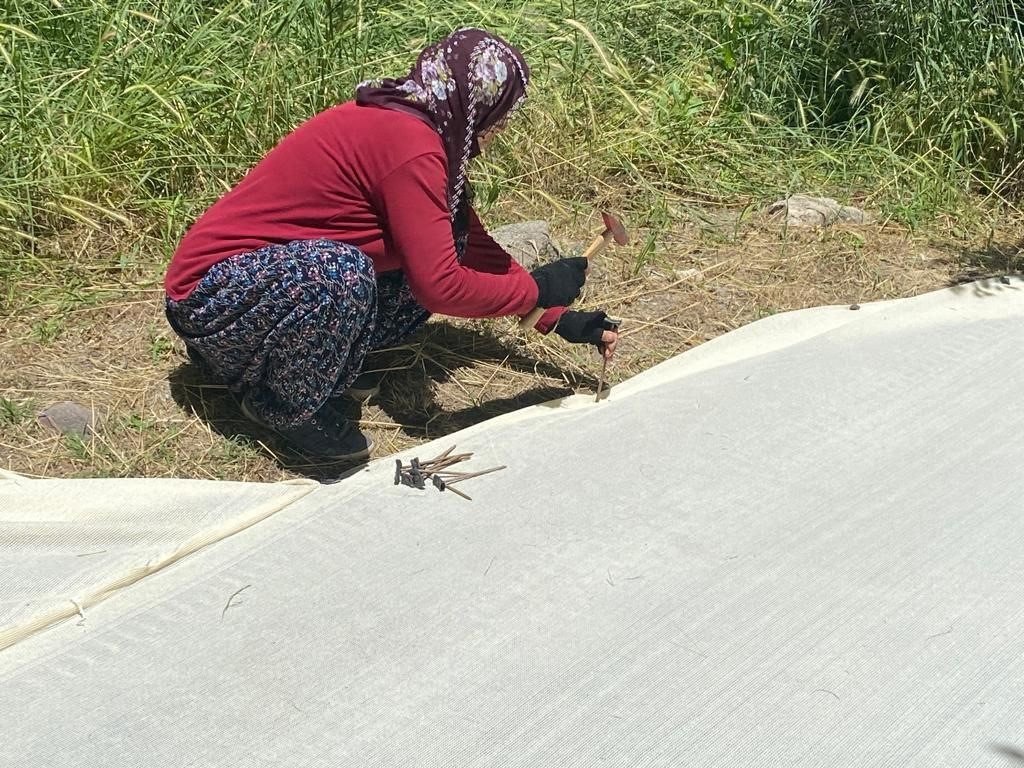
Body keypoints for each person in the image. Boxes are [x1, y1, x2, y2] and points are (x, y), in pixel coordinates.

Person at [164, 27, 619, 461]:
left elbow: (464, 241)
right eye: (500, 111)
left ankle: (271, 365)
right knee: (339, 274)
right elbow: (439, 286)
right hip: (212, 296)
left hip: (257, 292)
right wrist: (536, 289)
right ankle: (279, 404)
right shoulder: (410, 145)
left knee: (430, 249)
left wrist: (550, 315)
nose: (500, 126)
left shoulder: (421, 130)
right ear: (476, 101)